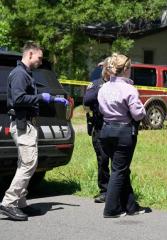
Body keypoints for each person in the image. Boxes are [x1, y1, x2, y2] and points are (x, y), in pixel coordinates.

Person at [0, 41, 68, 221]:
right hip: (22, 124)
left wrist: (51, 98)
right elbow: (18, 99)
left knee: (26, 164)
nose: (40, 61)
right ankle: (8, 202)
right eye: (39, 57)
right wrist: (42, 97)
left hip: (28, 125)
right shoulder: (19, 74)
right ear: (30, 54)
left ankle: (21, 203)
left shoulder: (26, 74)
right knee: (29, 164)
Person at [98, 53, 147, 218]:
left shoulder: (103, 87)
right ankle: (111, 208)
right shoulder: (129, 89)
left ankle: (131, 206)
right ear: (126, 69)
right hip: (123, 132)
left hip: (105, 131)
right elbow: (138, 114)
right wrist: (143, 109)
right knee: (119, 170)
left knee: (121, 168)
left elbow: (100, 109)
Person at [83, 57, 112, 203]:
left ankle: (116, 190)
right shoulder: (96, 84)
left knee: (117, 161)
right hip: (100, 126)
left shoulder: (119, 84)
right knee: (103, 159)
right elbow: (87, 100)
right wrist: (101, 91)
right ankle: (105, 190)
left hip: (114, 127)